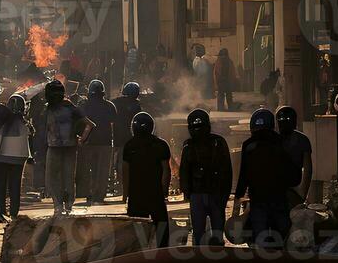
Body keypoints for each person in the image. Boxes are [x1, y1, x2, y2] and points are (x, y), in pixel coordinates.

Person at [233, 108, 299, 248]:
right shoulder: (281, 143)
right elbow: (294, 175)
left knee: (260, 238)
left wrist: (237, 203)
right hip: (279, 198)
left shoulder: (248, 145)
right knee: (282, 237)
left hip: (258, 199)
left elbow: (243, 176)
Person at [178, 109, 231, 246]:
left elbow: (184, 171)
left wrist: (187, 192)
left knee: (199, 236)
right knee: (216, 235)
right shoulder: (218, 142)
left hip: (200, 195)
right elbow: (227, 171)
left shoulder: (189, 145)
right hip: (214, 194)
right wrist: (225, 194)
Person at [41, 79, 93, 216]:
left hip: (54, 147)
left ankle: (58, 206)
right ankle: (68, 205)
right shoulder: (70, 107)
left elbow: (42, 127)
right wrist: (82, 139)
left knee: (53, 178)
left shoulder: (49, 108)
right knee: (68, 177)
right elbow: (90, 124)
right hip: (69, 147)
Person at [121, 112, 173, 247]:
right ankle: (162, 254)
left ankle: (139, 255)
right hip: (155, 192)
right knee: (161, 227)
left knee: (137, 230)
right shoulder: (161, 144)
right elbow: (166, 170)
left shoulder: (129, 145)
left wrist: (125, 194)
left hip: (136, 193)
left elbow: (125, 172)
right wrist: (164, 190)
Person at [0, 94, 32, 223]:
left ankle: (1, 212)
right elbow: (31, 135)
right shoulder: (24, 123)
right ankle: (14, 214)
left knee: (0, 185)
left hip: (0, 155)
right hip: (19, 156)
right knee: (15, 186)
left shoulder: (1, 120)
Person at [79, 80, 117, 205]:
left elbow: (80, 123)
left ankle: (89, 193)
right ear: (103, 92)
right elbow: (113, 124)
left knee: (89, 170)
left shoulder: (84, 105)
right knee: (103, 171)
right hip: (105, 142)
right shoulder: (110, 106)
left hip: (88, 142)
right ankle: (99, 195)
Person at [276, 105, 314, 209]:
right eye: (281, 119)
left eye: (286, 119)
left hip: (292, 188)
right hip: (281, 188)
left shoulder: (302, 140)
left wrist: (302, 193)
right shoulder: (303, 140)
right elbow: (308, 170)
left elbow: (308, 170)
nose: (283, 122)